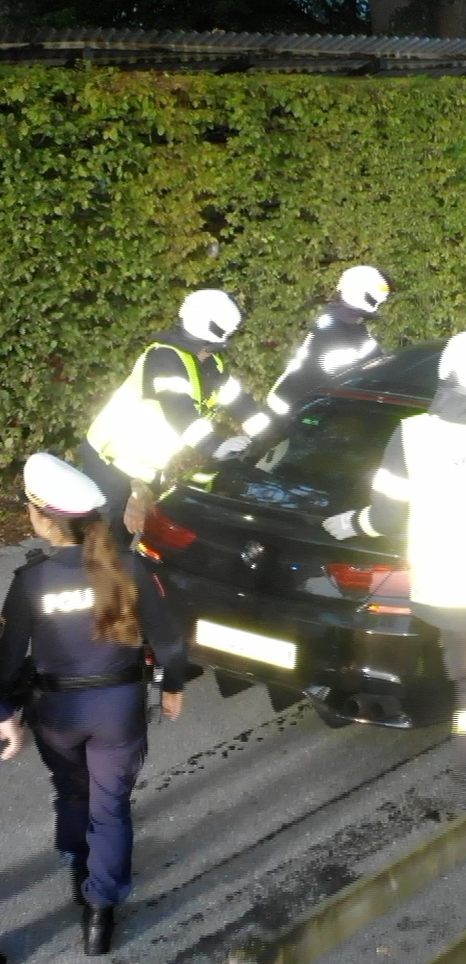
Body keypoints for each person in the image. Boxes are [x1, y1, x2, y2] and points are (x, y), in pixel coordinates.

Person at [321, 326, 466, 863]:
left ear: (446, 371)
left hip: (443, 595)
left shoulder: (410, 436)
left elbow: (386, 517)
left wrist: (353, 522)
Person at [0, 453, 187, 956]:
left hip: (58, 714)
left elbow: (7, 659)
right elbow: (169, 640)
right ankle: (100, 914)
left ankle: (77, 862)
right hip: (118, 711)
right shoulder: (129, 566)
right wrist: (173, 687)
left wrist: (4, 715)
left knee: (72, 791)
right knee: (111, 806)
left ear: (43, 519)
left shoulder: (30, 581)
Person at [80, 288, 275, 546]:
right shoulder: (164, 359)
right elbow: (179, 410)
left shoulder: (211, 364)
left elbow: (240, 402)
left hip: (145, 469)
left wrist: (272, 436)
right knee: (105, 544)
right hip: (111, 464)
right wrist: (215, 446)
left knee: (126, 542)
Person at [265, 265, 391, 418]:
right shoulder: (332, 328)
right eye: (376, 300)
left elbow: (379, 362)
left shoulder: (354, 327)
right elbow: (345, 376)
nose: (379, 305)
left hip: (306, 407)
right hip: (290, 408)